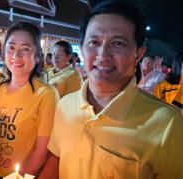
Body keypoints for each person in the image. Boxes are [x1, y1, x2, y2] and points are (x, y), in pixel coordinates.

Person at [39, 1, 183, 179]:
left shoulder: (167, 123)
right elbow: (57, 158)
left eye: (118, 44)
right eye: (94, 42)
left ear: (138, 54)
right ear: (82, 49)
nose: (103, 54)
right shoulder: (65, 105)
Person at [0, 21, 59, 178]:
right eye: (11, 48)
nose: (16, 55)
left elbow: (42, 151)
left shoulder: (46, 94)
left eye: (25, 49)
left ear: (37, 56)